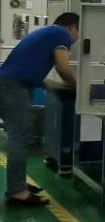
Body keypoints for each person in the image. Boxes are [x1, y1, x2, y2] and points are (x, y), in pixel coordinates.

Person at [0, 12, 79, 206]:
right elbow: (62, 67)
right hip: (13, 87)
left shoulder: (46, 33)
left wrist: (54, 87)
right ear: (71, 27)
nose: (76, 38)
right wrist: (77, 87)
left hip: (8, 84)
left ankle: (18, 183)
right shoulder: (61, 34)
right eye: (78, 32)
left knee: (20, 136)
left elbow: (29, 69)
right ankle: (17, 192)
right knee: (20, 137)